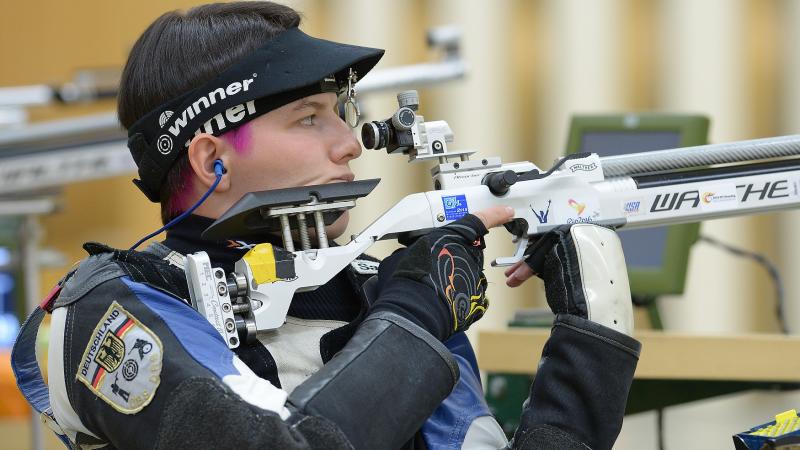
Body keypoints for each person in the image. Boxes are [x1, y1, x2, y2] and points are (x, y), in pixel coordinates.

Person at [11, 3, 641, 449]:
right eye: (310, 117)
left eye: (341, 113)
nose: (350, 144)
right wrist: (418, 314)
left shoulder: (376, 290)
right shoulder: (104, 307)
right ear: (211, 159)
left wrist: (590, 332)